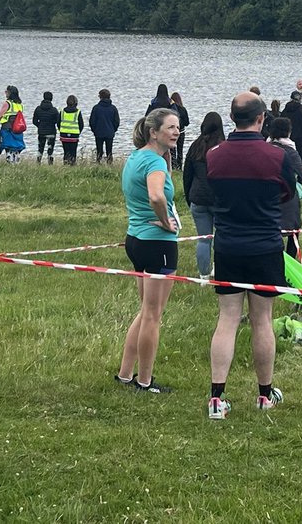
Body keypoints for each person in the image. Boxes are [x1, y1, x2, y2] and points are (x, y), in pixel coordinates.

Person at [205, 92, 296, 421]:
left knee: (227, 319)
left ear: (233, 118)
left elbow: (212, 189)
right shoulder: (277, 155)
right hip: (264, 246)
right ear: (261, 119)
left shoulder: (214, 155)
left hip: (228, 244)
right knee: (262, 320)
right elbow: (287, 192)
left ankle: (217, 397)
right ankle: (264, 394)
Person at [116, 108, 181, 393]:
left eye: (178, 127)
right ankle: (144, 381)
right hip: (156, 243)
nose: (176, 131)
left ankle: (125, 373)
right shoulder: (154, 162)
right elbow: (156, 195)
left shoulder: (135, 157)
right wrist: (167, 222)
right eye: (170, 127)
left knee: (145, 311)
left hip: (137, 240)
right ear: (153, 132)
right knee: (153, 315)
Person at [184, 111, 225, 277]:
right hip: (219, 199)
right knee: (221, 238)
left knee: (203, 239)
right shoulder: (223, 148)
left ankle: (203, 276)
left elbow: (187, 175)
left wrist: (189, 197)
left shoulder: (195, 146)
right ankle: (220, 270)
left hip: (198, 198)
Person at [267, 116, 302, 260]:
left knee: (271, 231)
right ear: (288, 132)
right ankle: (290, 261)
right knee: (293, 230)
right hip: (288, 196)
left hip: (268, 196)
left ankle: (274, 258)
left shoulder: (265, 148)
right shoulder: (290, 151)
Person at [282, 90, 302, 169]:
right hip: (301, 134)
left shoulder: (285, 109)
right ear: (300, 99)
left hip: (288, 134)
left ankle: (290, 167)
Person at [89, 89, 120, 164]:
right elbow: (116, 122)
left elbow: (92, 122)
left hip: (99, 133)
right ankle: (109, 164)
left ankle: (98, 164)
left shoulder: (96, 108)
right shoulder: (113, 108)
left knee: (99, 151)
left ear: (100, 97)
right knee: (109, 151)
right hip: (109, 133)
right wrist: (113, 130)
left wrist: (95, 131)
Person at [0, 85, 25, 163]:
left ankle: (9, 156)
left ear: (10, 93)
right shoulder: (20, 105)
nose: (5, 93)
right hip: (17, 128)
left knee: (7, 144)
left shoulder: (7, 103)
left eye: (6, 92)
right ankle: (16, 156)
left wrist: (1, 118)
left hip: (7, 127)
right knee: (16, 144)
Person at [32, 91, 60, 166]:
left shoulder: (38, 109)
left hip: (41, 132)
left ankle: (38, 162)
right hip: (51, 131)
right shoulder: (54, 110)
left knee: (40, 148)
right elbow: (58, 121)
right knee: (50, 149)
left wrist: (40, 125)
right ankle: (50, 163)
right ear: (51, 99)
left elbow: (34, 121)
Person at [59, 95, 84, 165]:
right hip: (74, 135)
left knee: (66, 152)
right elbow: (81, 124)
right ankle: (73, 165)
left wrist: (62, 130)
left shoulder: (62, 111)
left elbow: (58, 123)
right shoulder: (78, 112)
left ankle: (65, 164)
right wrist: (78, 132)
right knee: (73, 152)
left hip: (64, 135)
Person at [170, 91, 189, 169]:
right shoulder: (183, 109)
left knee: (172, 150)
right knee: (180, 150)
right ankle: (180, 166)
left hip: (172, 132)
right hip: (181, 132)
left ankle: (174, 166)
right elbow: (187, 122)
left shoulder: (171, 110)